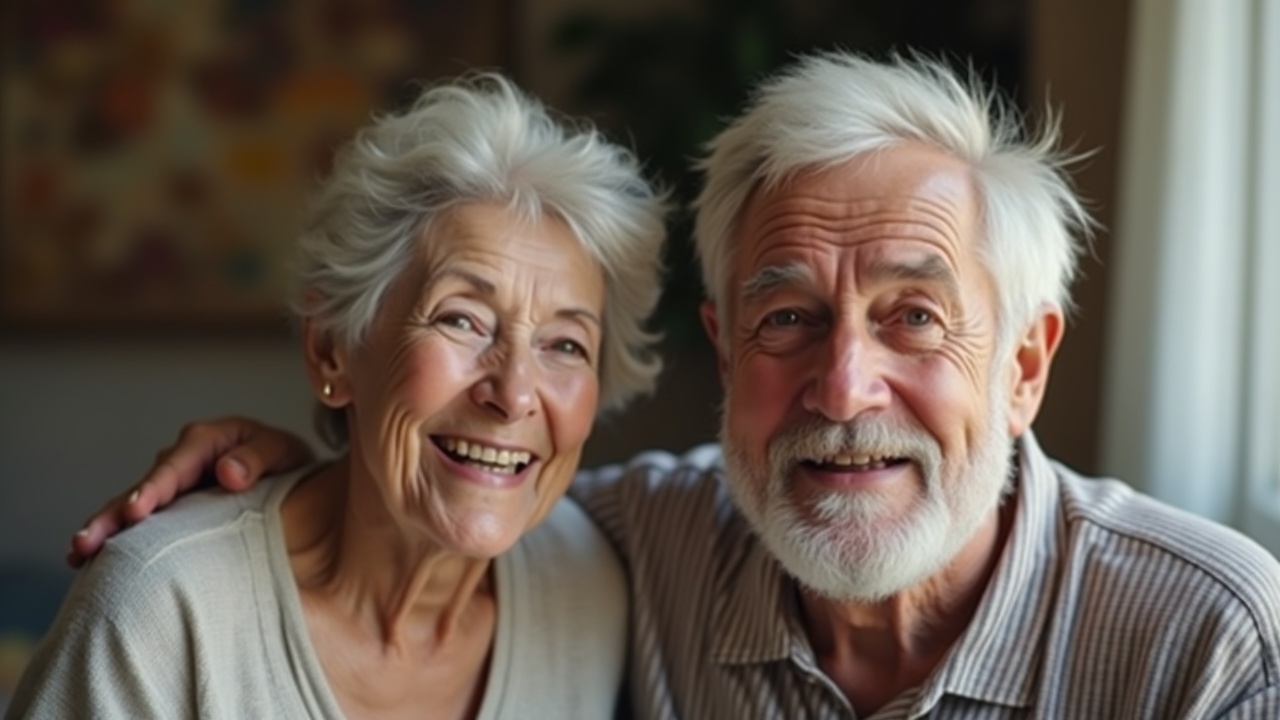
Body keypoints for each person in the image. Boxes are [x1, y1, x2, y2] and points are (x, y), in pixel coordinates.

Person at [68, 53, 1280, 719]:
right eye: (787, 318)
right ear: (721, 341)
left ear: (1022, 365)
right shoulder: (641, 553)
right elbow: (441, 494)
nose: (842, 384)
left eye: (914, 317)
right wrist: (300, 471)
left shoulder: (1209, 645)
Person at [11, 74, 670, 719]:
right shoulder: (165, 609)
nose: (515, 393)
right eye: (461, 319)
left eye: (565, 345)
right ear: (331, 347)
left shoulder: (591, 588)